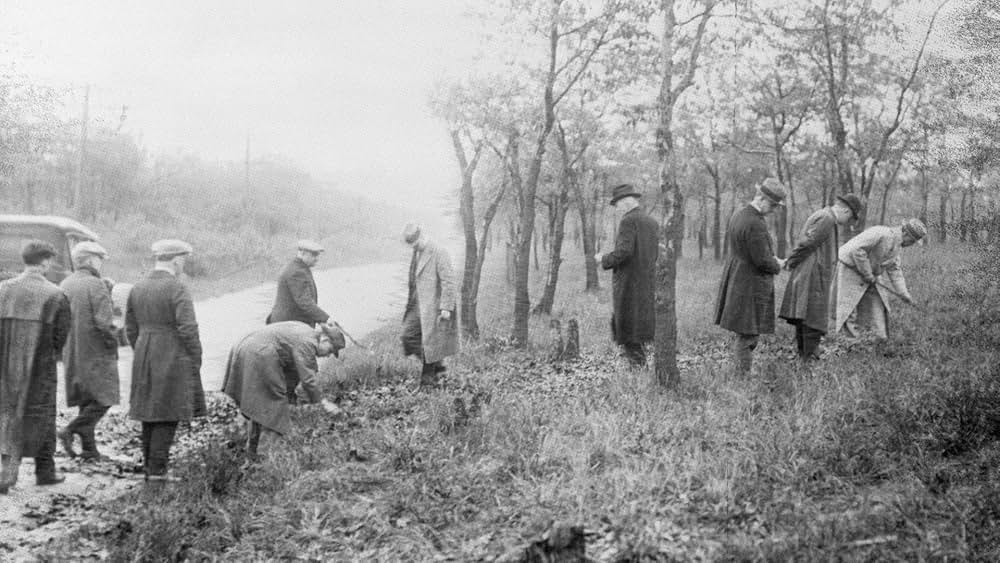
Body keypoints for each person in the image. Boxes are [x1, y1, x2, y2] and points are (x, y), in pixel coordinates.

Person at [125, 239, 206, 483]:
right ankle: (158, 472)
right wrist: (195, 356)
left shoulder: (137, 287)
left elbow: (130, 327)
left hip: (144, 351)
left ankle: (151, 467)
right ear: (176, 260)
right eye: (183, 260)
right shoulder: (177, 288)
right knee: (168, 411)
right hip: (171, 352)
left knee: (149, 411)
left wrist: (142, 348)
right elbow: (188, 328)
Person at [0, 240, 72, 494]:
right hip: (40, 364)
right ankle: (44, 471)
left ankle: (7, 473)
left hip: (5, 362)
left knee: (8, 411)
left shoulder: (3, 290)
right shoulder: (56, 294)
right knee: (41, 412)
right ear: (44, 262)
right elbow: (60, 337)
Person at [222, 321, 345, 456]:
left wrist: (292, 397)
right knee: (274, 407)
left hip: (244, 345)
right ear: (325, 339)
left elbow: (292, 367)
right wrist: (323, 403)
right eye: (330, 350)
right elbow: (308, 379)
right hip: (260, 352)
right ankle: (266, 457)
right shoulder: (307, 343)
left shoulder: (305, 330)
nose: (327, 355)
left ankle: (249, 451)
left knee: (258, 404)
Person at [714, 178, 787, 376]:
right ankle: (742, 376)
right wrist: (778, 264)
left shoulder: (739, 214)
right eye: (772, 205)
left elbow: (752, 251)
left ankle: (741, 373)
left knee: (745, 332)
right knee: (748, 336)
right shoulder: (755, 223)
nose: (773, 210)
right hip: (750, 285)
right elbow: (762, 260)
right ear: (761, 198)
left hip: (740, 279)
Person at [778, 194, 862, 361]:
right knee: (812, 317)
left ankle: (806, 356)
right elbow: (807, 244)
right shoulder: (827, 219)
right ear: (846, 210)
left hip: (812, 272)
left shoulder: (824, 215)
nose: (848, 222)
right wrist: (791, 261)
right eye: (850, 217)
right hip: (812, 275)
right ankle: (807, 359)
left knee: (807, 316)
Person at [58, 241, 120, 461]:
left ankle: (89, 449)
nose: (101, 263)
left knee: (86, 398)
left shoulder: (64, 284)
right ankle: (70, 429)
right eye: (99, 259)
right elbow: (104, 323)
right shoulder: (96, 285)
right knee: (105, 397)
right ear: (91, 260)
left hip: (72, 349)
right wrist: (115, 342)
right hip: (95, 350)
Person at [594, 183, 659, 366]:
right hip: (646, 281)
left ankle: (637, 369)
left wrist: (603, 258)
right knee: (641, 325)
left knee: (629, 326)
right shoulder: (651, 221)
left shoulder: (628, 221)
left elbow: (624, 252)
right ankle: (639, 365)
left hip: (629, 283)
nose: (617, 207)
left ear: (627, 200)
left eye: (618, 203)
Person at [833, 218, 926, 340]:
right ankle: (849, 341)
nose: (911, 244)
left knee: (878, 303)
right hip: (850, 267)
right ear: (905, 233)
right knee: (848, 306)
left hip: (871, 273)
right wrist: (867, 274)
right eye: (912, 241)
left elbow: (895, 271)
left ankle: (876, 338)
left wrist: (904, 294)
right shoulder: (881, 233)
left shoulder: (897, 247)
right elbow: (857, 250)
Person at [267, 240, 330, 404]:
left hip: (291, 325)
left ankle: (290, 400)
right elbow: (304, 303)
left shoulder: (300, 269)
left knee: (292, 367)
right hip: (289, 325)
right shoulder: (297, 272)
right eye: (314, 255)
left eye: (318, 255)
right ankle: (288, 401)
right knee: (291, 366)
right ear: (302, 253)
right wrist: (326, 319)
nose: (317, 259)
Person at [401, 224, 458, 389]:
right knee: (407, 337)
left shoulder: (439, 251)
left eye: (416, 243)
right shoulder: (416, 252)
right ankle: (438, 364)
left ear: (422, 235)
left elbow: (449, 281)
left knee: (429, 344)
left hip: (432, 306)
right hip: (415, 305)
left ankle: (427, 383)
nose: (414, 247)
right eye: (412, 245)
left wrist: (446, 308)